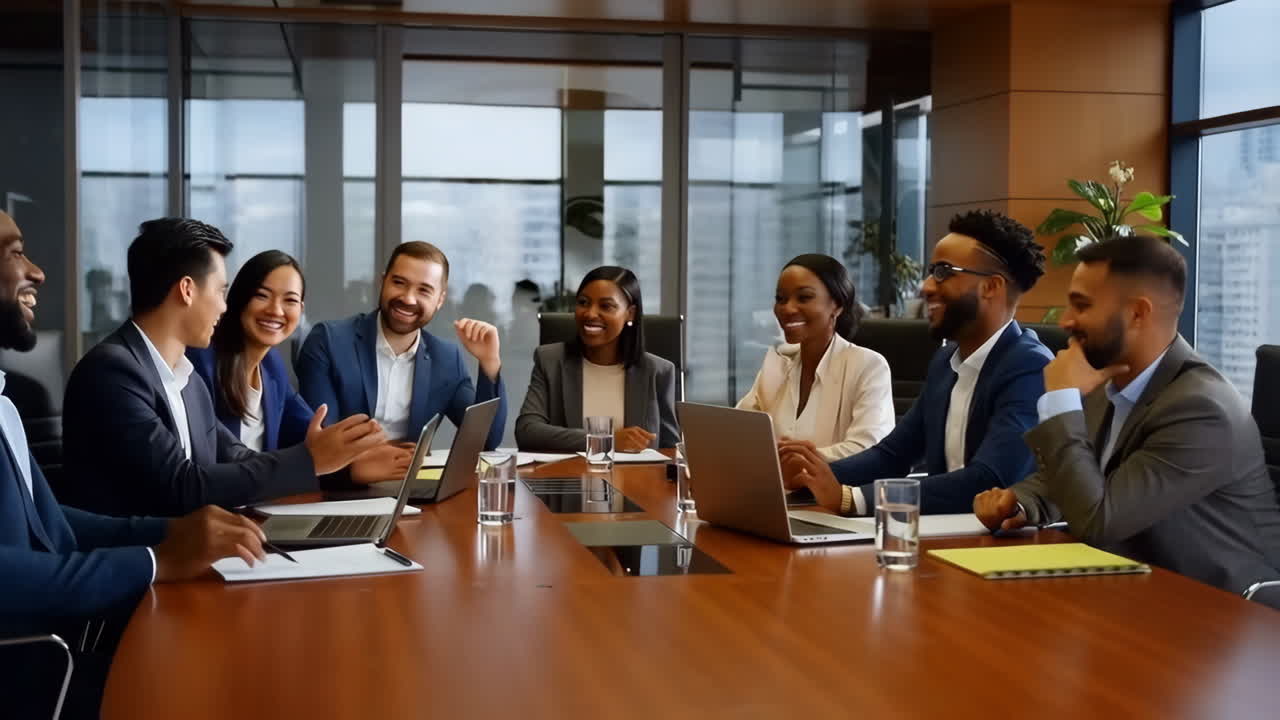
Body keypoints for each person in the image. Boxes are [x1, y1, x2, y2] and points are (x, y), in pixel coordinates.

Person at [0, 210, 272, 719]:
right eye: (14, 252)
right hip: (37, 669)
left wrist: (173, 533)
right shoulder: (112, 371)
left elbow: (50, 522)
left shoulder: (5, 405)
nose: (37, 271)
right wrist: (155, 559)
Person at [974, 236, 1280, 603]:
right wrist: (1021, 502)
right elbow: (1079, 476)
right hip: (1132, 589)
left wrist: (1060, 398)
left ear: (1137, 313)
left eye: (1082, 306)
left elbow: (1099, 520)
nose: (1066, 320)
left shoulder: (1200, 409)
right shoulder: (1111, 382)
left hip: (1221, 611)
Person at [60, 219, 386, 517]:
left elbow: (239, 458)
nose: (224, 306)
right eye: (220, 291)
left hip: (195, 547)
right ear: (187, 290)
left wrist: (326, 460)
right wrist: (308, 461)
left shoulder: (187, 378)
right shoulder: (113, 372)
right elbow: (181, 486)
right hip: (141, 557)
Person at [779, 210, 1051, 515]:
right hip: (945, 531)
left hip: (996, 538)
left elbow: (989, 480)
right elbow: (892, 455)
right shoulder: (946, 361)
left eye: (943, 272)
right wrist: (810, 476)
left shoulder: (1030, 367)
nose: (926, 286)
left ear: (991, 287)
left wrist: (853, 498)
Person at [296, 241, 507, 483]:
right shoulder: (328, 341)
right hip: (338, 490)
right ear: (383, 281)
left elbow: (486, 440)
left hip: (409, 489)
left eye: (424, 290)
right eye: (399, 283)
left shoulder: (446, 358)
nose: (408, 298)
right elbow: (323, 444)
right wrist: (362, 464)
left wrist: (489, 362)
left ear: (440, 300)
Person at [736, 254, 894, 461]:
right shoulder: (778, 363)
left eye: (804, 298)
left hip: (833, 482)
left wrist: (795, 460)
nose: (787, 309)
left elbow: (868, 448)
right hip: (774, 481)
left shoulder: (868, 366)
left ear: (837, 305)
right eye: (781, 299)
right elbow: (738, 430)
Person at [516, 266, 678, 452]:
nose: (591, 314)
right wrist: (606, 441)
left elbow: (670, 450)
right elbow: (527, 432)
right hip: (568, 471)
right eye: (583, 302)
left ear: (630, 313)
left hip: (636, 472)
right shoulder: (550, 361)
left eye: (606, 306)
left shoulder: (658, 371)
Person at [187, 250, 313, 452]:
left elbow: (312, 432)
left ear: (301, 309)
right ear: (239, 298)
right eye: (262, 296)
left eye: (290, 300)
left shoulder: (272, 365)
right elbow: (214, 455)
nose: (276, 310)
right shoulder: (201, 361)